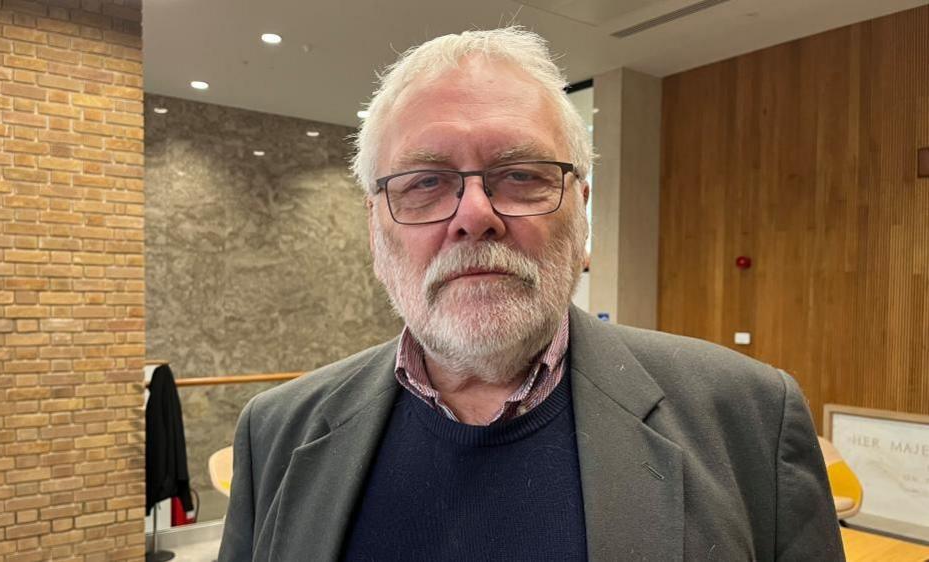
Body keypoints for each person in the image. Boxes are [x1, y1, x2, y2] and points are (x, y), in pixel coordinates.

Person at [218, 27, 844, 562]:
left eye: (521, 176)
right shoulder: (276, 433)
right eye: (425, 182)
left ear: (582, 216)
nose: (474, 215)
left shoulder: (750, 418)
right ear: (376, 227)